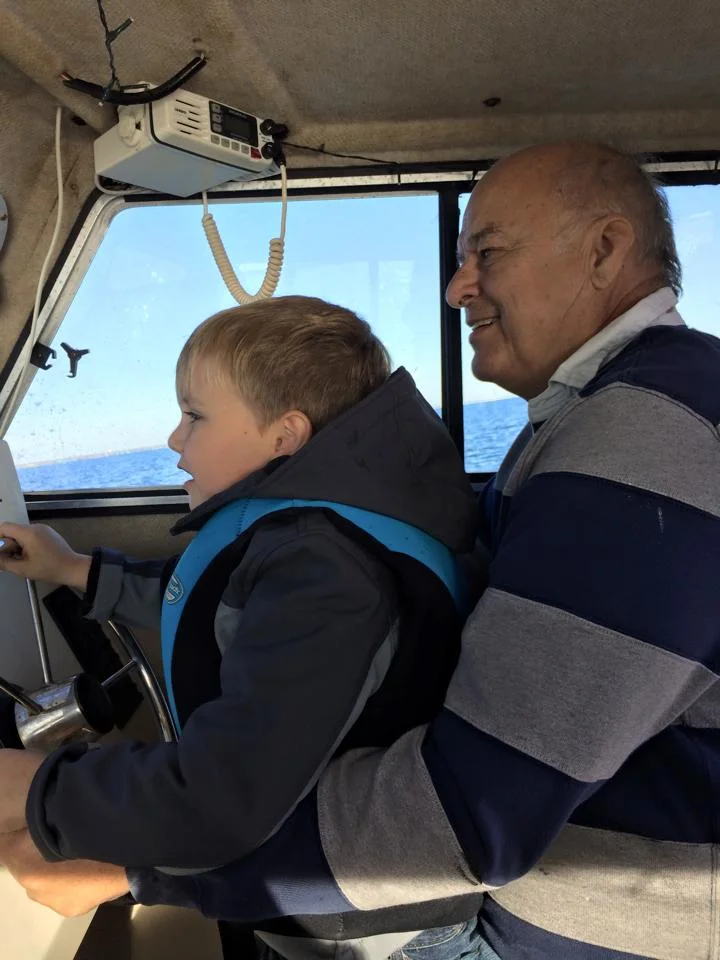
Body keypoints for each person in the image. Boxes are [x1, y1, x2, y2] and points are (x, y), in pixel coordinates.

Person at [2, 140, 720, 960]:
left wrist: (124, 850)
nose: (457, 288)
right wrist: (75, 571)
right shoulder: (583, 424)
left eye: (487, 252)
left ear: (604, 248)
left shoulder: (642, 440)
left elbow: (468, 819)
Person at [0, 295, 482, 959]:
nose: (173, 438)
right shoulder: (301, 538)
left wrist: (40, 793)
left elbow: (224, 796)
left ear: (285, 436)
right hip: (308, 892)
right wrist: (70, 567)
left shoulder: (330, 571)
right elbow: (205, 602)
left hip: (368, 926)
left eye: (194, 415)